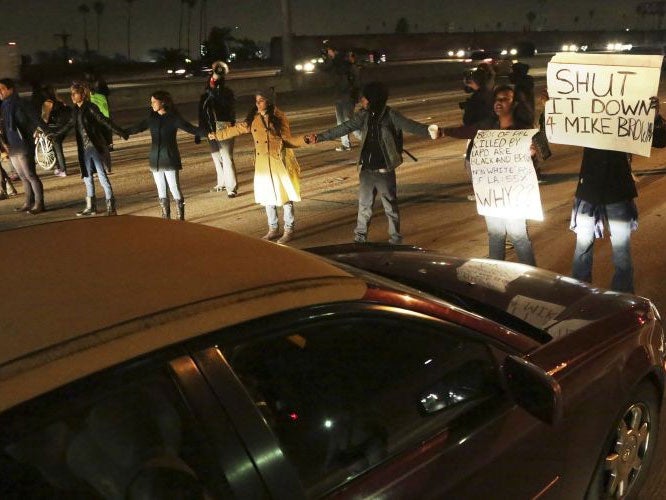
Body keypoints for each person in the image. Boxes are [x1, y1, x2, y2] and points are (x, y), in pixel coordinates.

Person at [308, 81, 436, 245]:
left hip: (384, 170)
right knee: (364, 206)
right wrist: (319, 137)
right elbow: (345, 127)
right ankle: (360, 237)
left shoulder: (391, 115)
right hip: (367, 170)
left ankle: (395, 239)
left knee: (390, 207)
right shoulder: (364, 115)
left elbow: (411, 126)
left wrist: (433, 131)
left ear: (373, 99)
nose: (362, 100)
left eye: (364, 98)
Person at [569, 98, 664, 294]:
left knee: (621, 253)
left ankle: (622, 300)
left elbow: (660, 140)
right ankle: (578, 296)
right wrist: (554, 107)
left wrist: (654, 118)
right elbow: (564, 130)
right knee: (582, 249)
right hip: (589, 189)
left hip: (617, 189)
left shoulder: (631, 107)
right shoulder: (588, 107)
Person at [442, 85, 537, 265]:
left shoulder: (522, 130)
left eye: (505, 99)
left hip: (514, 193)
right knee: (495, 234)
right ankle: (495, 274)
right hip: (492, 192)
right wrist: (444, 131)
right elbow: (466, 131)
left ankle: (533, 277)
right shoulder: (487, 126)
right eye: (497, 99)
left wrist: (532, 152)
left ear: (515, 103)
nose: (499, 103)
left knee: (518, 236)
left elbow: (540, 153)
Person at [209, 89, 305, 244]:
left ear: (269, 101)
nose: (258, 103)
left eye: (261, 100)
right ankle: (273, 228)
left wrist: (305, 140)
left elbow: (288, 140)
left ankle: (289, 229)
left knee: (285, 196)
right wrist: (218, 135)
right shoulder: (254, 118)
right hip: (262, 164)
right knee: (268, 197)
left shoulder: (279, 116)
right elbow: (239, 128)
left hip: (279, 161)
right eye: (256, 100)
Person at [49, 82, 127, 216]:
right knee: (87, 176)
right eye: (71, 94)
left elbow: (104, 120)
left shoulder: (91, 107)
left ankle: (111, 206)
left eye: (75, 93)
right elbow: (67, 126)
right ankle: (91, 207)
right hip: (84, 148)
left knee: (101, 175)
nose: (72, 96)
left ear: (83, 94)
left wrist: (120, 132)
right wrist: (52, 133)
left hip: (94, 146)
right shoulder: (75, 110)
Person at [126, 90, 202, 220]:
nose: (152, 104)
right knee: (161, 189)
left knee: (174, 188)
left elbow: (191, 128)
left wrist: (208, 133)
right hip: (155, 159)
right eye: (151, 102)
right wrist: (121, 132)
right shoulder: (152, 119)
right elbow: (136, 128)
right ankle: (165, 217)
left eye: (154, 102)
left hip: (169, 158)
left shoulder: (173, 119)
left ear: (163, 102)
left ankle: (180, 217)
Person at [0, 78, 45, 214]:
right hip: (13, 145)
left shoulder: (21, 103)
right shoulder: (4, 105)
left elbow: (35, 119)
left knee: (30, 174)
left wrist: (45, 131)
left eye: (2, 89)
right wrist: (4, 143)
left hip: (23, 143)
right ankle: (28, 202)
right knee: (22, 176)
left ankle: (39, 204)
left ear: (11, 89)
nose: (0, 92)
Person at [198, 60, 238, 197]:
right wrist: (201, 132)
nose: (213, 78)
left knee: (226, 157)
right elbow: (202, 113)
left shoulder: (226, 93)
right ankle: (221, 183)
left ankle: (231, 187)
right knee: (216, 157)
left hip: (223, 125)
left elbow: (229, 110)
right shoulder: (206, 95)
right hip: (210, 127)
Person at [323, 45, 360, 151]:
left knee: (349, 120)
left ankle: (364, 137)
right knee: (340, 121)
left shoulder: (348, 66)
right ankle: (345, 144)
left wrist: (356, 96)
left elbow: (357, 83)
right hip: (339, 95)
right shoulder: (335, 65)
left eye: (330, 51)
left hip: (347, 96)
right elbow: (326, 69)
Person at [37, 84, 71, 176]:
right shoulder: (60, 101)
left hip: (54, 128)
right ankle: (59, 167)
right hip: (64, 127)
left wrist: (39, 128)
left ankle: (63, 170)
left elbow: (45, 118)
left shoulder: (47, 103)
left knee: (57, 148)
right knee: (57, 147)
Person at [86, 74, 114, 173]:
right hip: (103, 122)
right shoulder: (102, 96)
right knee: (103, 147)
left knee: (98, 147)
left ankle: (100, 168)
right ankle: (106, 167)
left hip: (97, 123)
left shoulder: (92, 98)